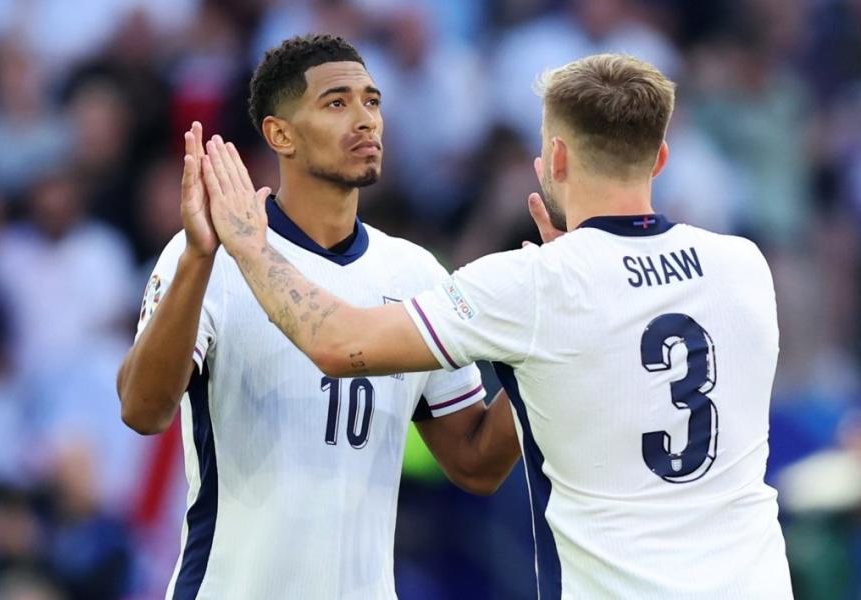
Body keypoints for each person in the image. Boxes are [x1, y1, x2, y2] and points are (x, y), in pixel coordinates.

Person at [202, 53, 794, 598]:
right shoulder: (743, 265)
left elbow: (336, 343)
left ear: (555, 160)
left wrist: (251, 246)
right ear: (660, 159)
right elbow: (626, 350)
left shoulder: (533, 286)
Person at [116, 34, 519, 600]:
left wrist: (539, 351)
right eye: (338, 103)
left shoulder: (415, 272)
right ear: (281, 134)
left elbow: (477, 464)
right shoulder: (211, 255)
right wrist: (198, 259)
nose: (366, 120)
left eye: (372, 101)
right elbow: (142, 409)